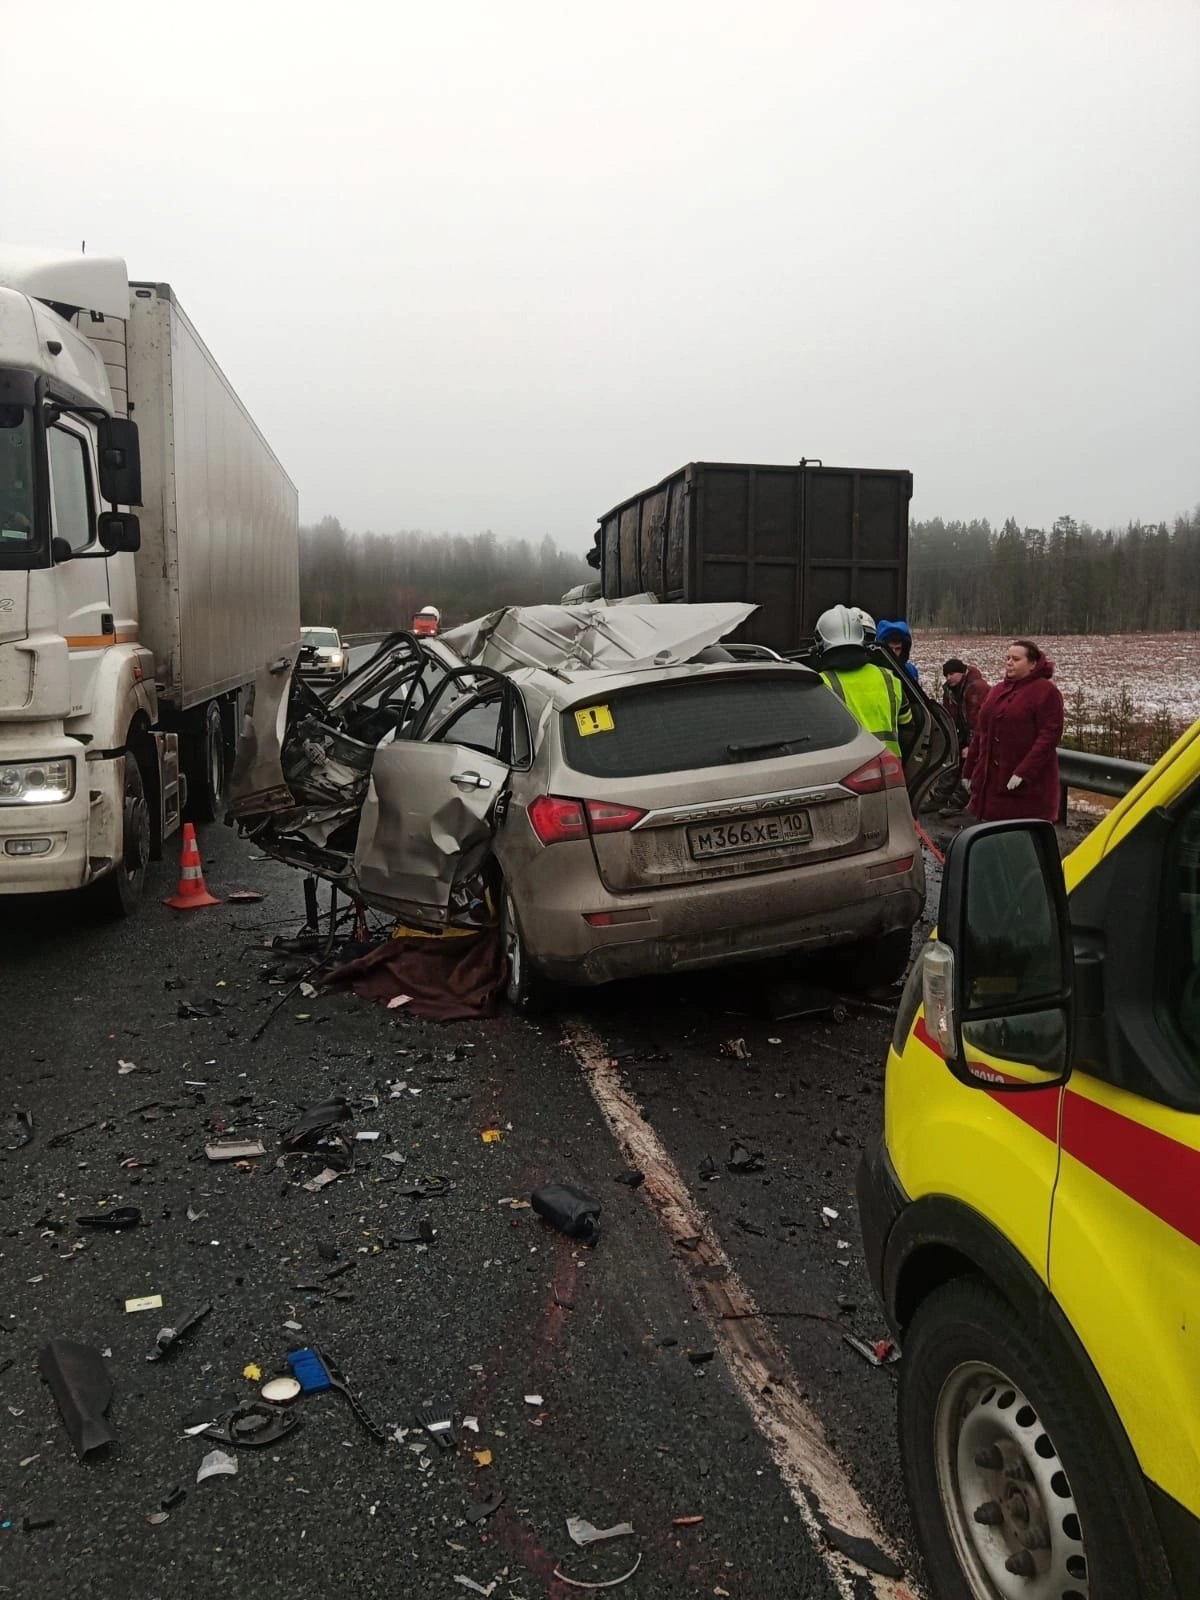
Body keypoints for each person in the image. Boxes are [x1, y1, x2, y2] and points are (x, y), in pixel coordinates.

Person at [962, 639, 1064, 823]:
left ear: (1033, 664)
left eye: (1016, 659)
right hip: (990, 788)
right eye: (1008, 658)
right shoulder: (997, 690)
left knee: (1019, 842)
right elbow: (980, 732)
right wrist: (969, 770)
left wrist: (1024, 772)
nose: (1009, 662)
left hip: (1026, 791)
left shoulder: (1045, 691)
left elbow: (1049, 736)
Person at [814, 604, 912, 759]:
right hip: (891, 771)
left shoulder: (821, 685)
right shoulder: (889, 678)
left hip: (848, 774)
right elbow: (908, 728)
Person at [936, 657, 989, 814]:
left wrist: (971, 746)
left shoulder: (976, 688)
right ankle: (941, 796)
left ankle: (959, 801)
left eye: (952, 674)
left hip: (980, 733)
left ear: (962, 672)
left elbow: (979, 722)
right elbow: (950, 716)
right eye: (946, 675)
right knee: (951, 757)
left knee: (969, 762)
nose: (948, 678)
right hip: (962, 732)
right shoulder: (950, 690)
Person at [874, 619, 920, 683]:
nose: (893, 652)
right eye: (889, 648)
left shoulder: (910, 671)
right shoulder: (875, 671)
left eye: (898, 648)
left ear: (903, 650)